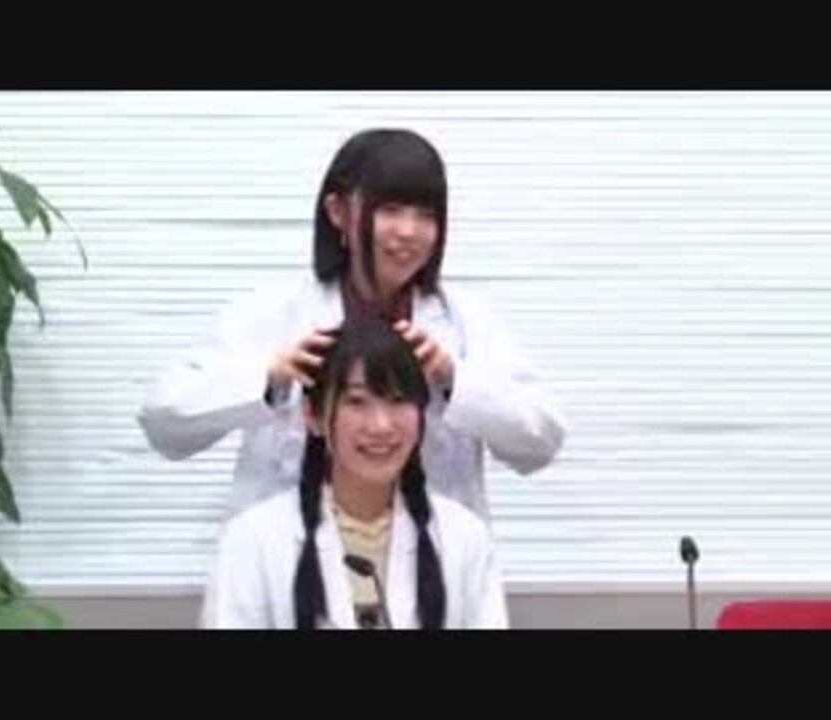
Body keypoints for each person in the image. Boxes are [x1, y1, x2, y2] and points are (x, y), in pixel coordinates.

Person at [139, 128, 566, 519]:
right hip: (291, 561)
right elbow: (163, 423)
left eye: (426, 214)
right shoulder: (272, 313)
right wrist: (268, 379)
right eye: (390, 209)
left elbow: (541, 441)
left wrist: (454, 381)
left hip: (430, 560)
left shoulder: (466, 322)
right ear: (338, 211)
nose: (409, 231)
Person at [200, 318, 508, 629]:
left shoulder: (465, 539)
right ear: (313, 415)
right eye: (357, 401)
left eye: (399, 400)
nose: (381, 426)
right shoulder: (253, 540)